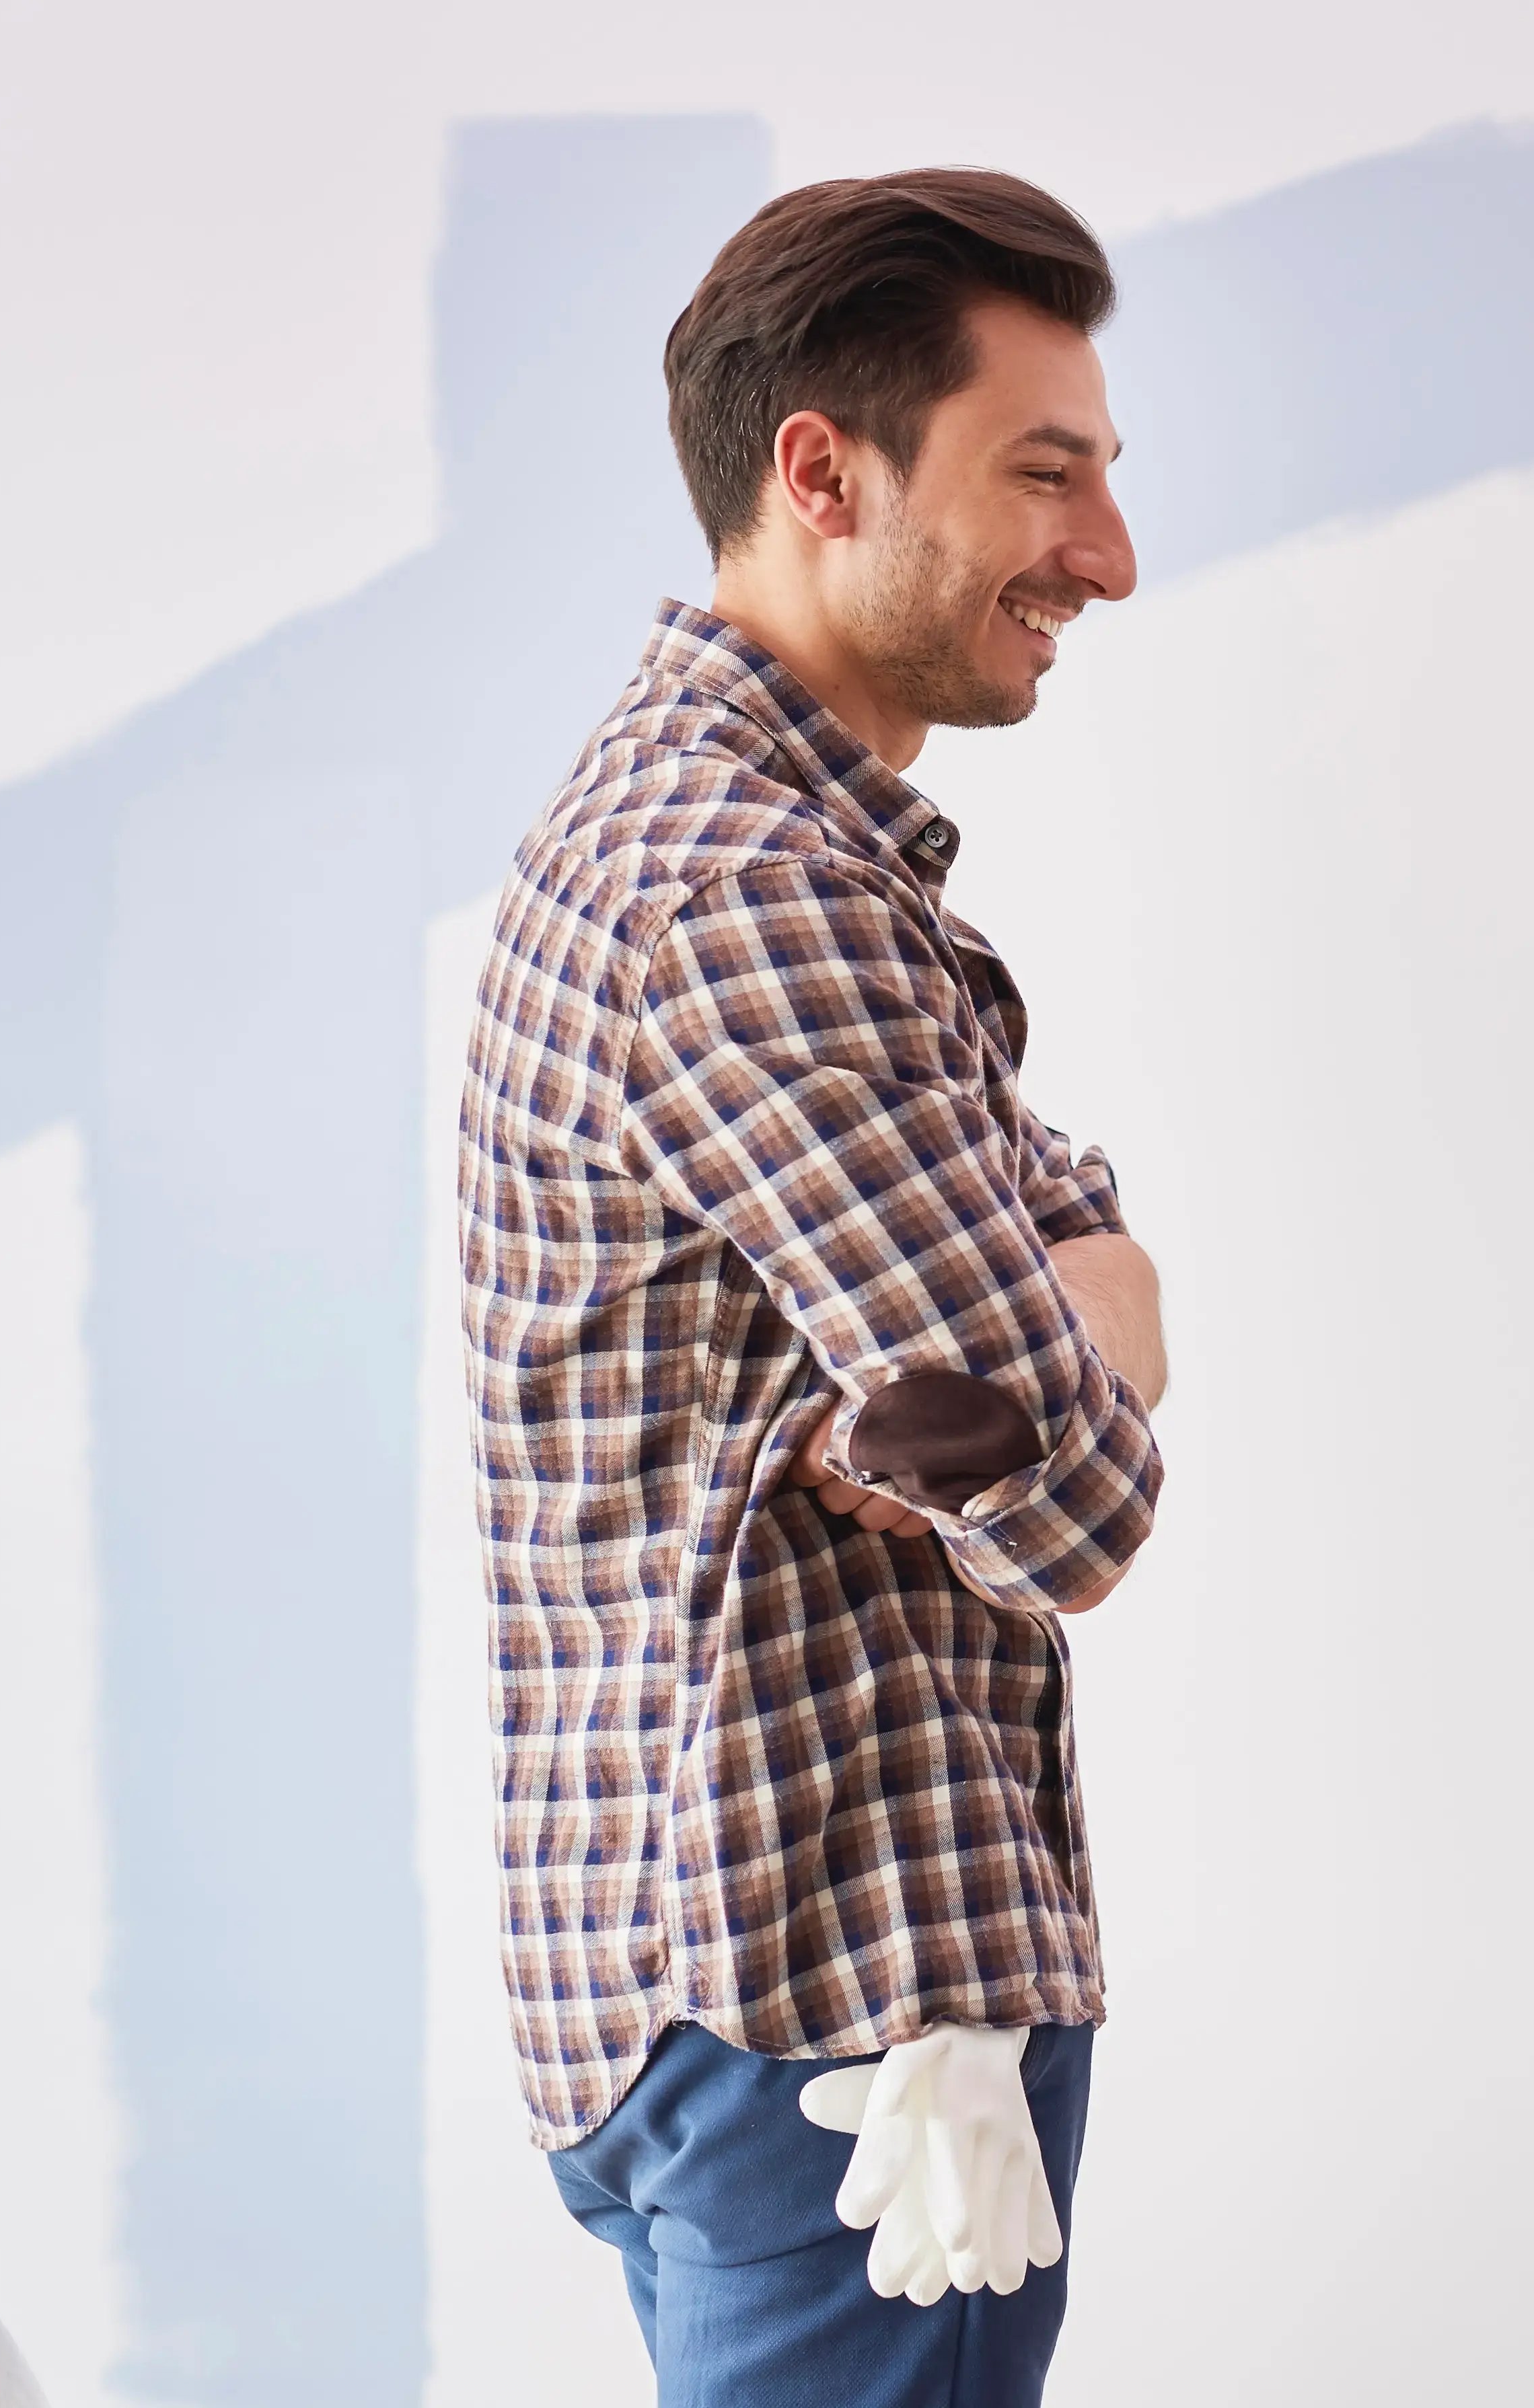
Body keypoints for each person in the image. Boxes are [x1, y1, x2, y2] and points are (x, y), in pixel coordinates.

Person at [455, 166, 1167, 2408]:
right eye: (1041, 473)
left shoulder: (751, 852)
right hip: (845, 2021)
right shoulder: (751, 892)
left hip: (743, 1995)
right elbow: (1071, 1494)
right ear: (822, 472)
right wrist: (1081, 1324)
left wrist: (1085, 1277)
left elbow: (1063, 1244)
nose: (1107, 554)